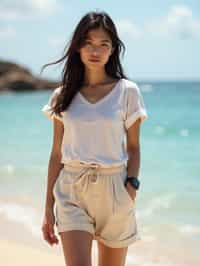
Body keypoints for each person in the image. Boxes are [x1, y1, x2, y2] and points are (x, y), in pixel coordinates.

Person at [41, 10, 148, 266]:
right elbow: (57, 153)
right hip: (72, 190)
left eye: (103, 44)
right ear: (78, 46)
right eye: (88, 43)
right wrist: (48, 208)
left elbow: (133, 147)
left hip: (115, 189)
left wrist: (130, 187)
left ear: (113, 50)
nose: (95, 51)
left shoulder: (127, 92)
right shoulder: (62, 95)